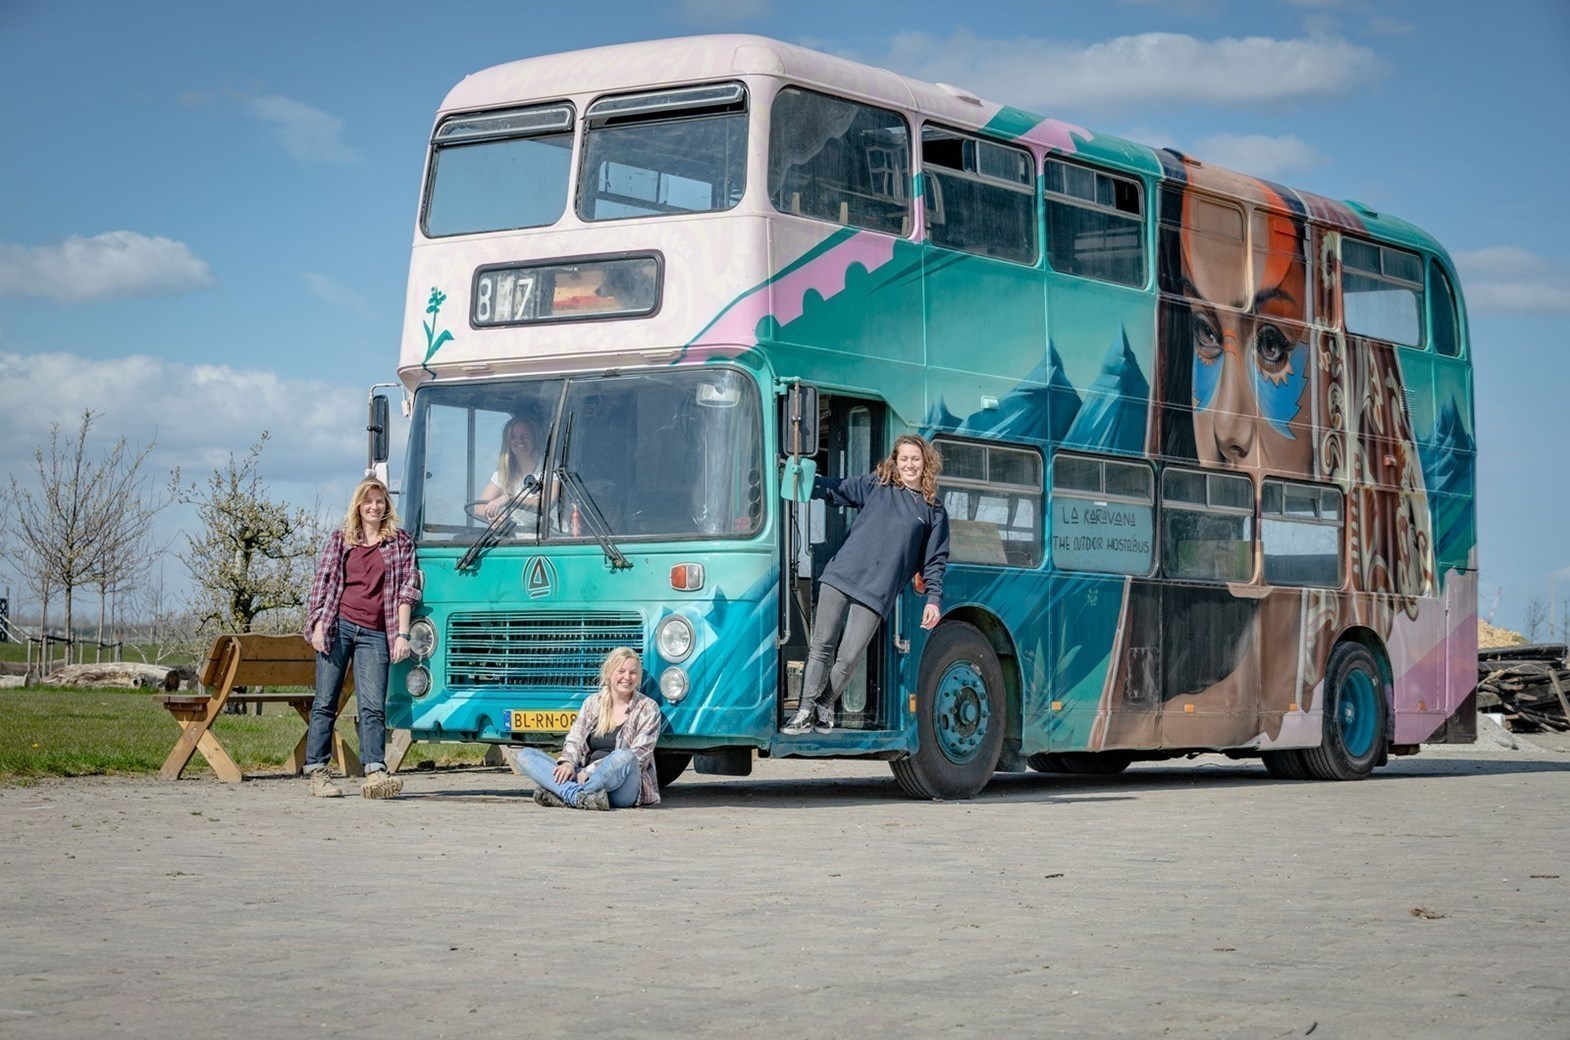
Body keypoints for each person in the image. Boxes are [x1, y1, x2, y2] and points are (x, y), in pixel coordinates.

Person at [783, 434, 950, 736]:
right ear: (895, 462)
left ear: (925, 463)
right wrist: (802, 476)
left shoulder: (933, 511)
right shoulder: (877, 486)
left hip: (877, 592)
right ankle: (804, 710)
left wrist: (933, 599)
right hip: (840, 576)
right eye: (904, 459)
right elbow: (836, 489)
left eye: (915, 459)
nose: (909, 465)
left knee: (849, 658)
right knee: (821, 647)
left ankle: (824, 703)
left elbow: (935, 561)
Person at [301, 476, 419, 799]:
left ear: (386, 506)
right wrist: (318, 624)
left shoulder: (400, 543)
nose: (374, 506)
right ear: (358, 505)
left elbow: (408, 590)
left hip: (376, 632)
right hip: (338, 625)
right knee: (326, 701)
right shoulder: (341, 540)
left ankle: (375, 771)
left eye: (379, 501)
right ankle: (317, 771)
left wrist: (402, 634)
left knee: (372, 706)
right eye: (368, 501)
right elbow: (323, 583)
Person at [513, 647, 664, 810]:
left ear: (639, 677)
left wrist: (588, 772)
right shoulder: (592, 702)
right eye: (621, 671)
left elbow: (640, 756)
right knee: (526, 756)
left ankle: (566, 793)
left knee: (624, 756)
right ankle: (578, 796)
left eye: (633, 673)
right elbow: (575, 738)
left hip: (621, 788)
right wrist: (568, 763)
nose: (627, 677)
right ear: (609, 673)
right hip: (581, 776)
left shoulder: (648, 708)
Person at [479, 414, 543, 520]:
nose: (519, 440)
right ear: (508, 442)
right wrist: (495, 517)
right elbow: (479, 508)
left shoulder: (548, 467)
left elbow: (546, 504)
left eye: (525, 435)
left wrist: (508, 498)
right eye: (513, 436)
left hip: (552, 534)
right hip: (516, 536)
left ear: (534, 438)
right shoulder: (504, 472)